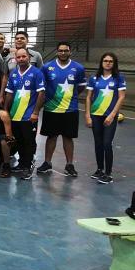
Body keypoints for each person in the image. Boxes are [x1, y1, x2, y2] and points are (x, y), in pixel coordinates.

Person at [36, 41, 86, 177]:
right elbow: (41, 86)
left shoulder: (78, 68)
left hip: (70, 109)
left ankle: (69, 165)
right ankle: (47, 163)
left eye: (66, 51)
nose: (63, 53)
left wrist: (70, 97)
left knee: (68, 138)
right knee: (51, 137)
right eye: (60, 51)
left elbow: (81, 87)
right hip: (51, 108)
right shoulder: (47, 67)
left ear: (70, 52)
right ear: (57, 51)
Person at [85, 53, 126, 185]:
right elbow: (88, 97)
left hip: (110, 116)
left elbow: (121, 97)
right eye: (105, 60)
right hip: (96, 115)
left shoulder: (119, 78)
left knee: (107, 143)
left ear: (114, 63)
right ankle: (99, 169)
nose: (108, 63)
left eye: (111, 61)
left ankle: (108, 174)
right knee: (98, 143)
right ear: (101, 62)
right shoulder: (94, 78)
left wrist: (112, 115)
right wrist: (87, 115)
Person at [4, 48, 45, 180]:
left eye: (24, 56)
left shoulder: (37, 73)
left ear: (29, 57)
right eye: (19, 57)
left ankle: (28, 166)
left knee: (29, 141)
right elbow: (9, 94)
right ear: (15, 59)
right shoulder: (14, 74)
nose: (21, 59)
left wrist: (36, 112)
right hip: (15, 114)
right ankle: (22, 163)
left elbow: (41, 93)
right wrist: (5, 110)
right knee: (19, 141)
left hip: (29, 116)